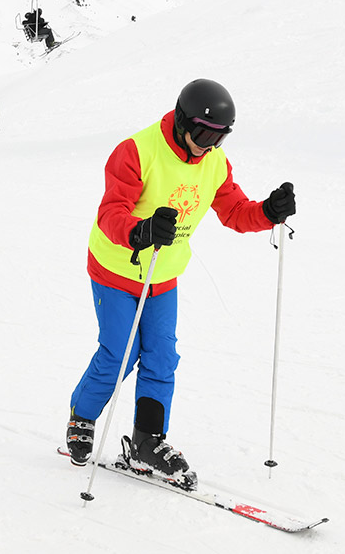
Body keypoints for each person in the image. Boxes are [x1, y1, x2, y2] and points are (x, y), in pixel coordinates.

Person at [66, 78, 297, 483]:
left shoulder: (214, 163)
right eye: (203, 133)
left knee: (161, 357)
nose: (207, 144)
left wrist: (268, 212)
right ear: (180, 120)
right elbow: (111, 212)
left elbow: (235, 211)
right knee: (119, 353)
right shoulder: (136, 151)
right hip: (117, 269)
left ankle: (146, 442)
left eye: (219, 137)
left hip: (163, 275)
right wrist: (140, 231)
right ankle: (82, 417)